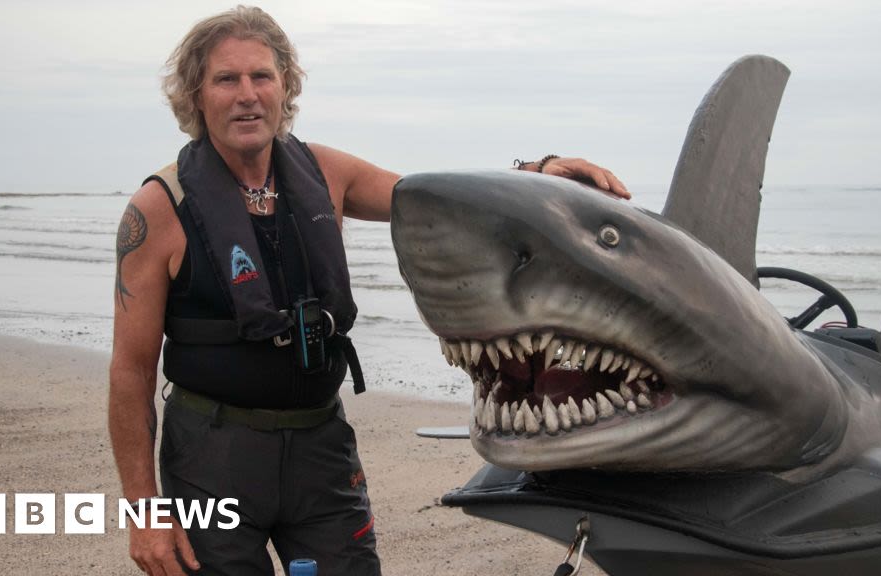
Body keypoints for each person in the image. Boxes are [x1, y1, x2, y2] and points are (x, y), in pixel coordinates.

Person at [108, 5, 629, 576]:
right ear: (196, 95)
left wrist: (537, 169)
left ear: (285, 86)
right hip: (212, 457)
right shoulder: (160, 210)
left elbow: (434, 200)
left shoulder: (326, 174)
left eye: (262, 76)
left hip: (318, 446)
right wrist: (144, 511)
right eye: (226, 79)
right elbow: (131, 372)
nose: (247, 94)